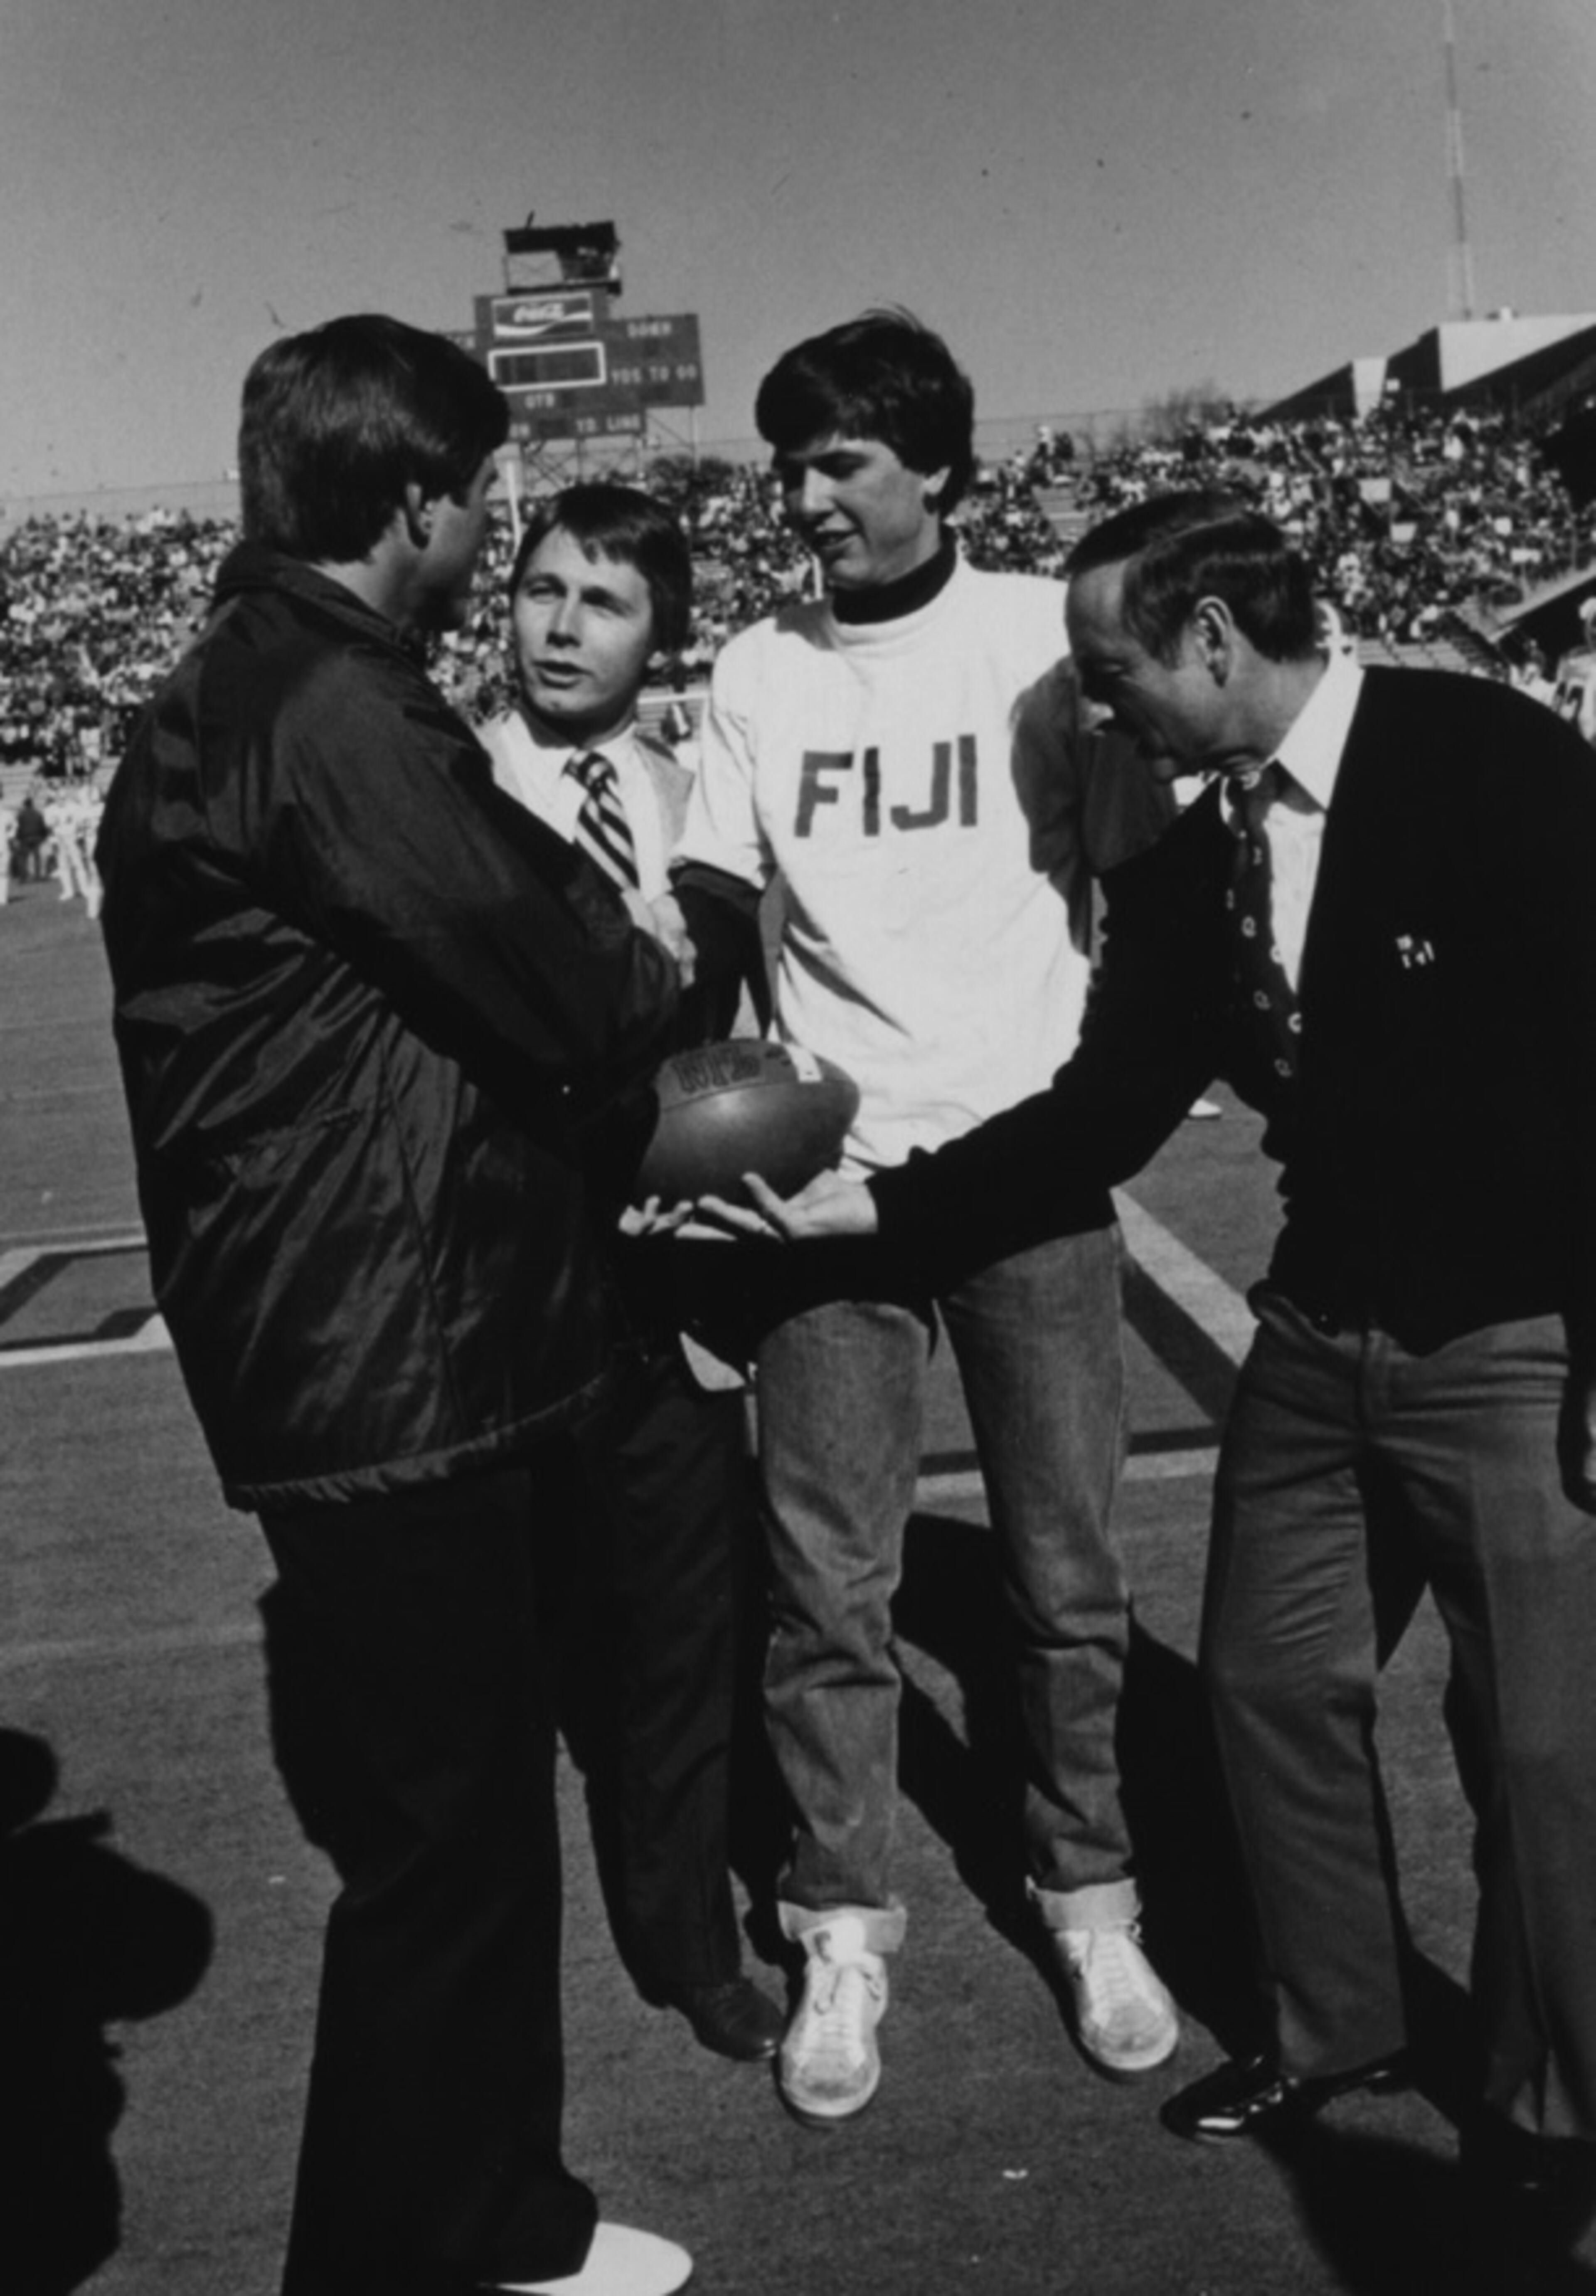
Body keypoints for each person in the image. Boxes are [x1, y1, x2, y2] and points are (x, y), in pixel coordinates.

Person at [731, 488, 1596, 2244]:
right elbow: (1105, 1108)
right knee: (1270, 1691)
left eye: (1113, 675)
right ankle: (1337, 2024)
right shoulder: (1208, 850)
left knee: (1548, 1748)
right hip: (1318, 1325)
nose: (1099, 713)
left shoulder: (1492, 759)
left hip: (1520, 1337)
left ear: (1214, 641)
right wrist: (876, 1212)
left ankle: (1551, 2101)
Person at [96, 316, 693, 2296]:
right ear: (420, 505)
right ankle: (392, 2258)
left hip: (365, 1330)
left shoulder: (243, 686)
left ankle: (499, 2215)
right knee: (443, 1852)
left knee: (469, 1830)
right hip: (387, 1352)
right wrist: (653, 951)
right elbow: (564, 974)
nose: (493, 539)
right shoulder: (338, 710)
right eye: (485, 504)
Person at [669, 310, 1179, 2126]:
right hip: (824, 1194)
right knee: (827, 1586)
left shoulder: (1046, 634)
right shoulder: (755, 667)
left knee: (1063, 1576)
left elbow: (1142, 887)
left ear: (943, 469)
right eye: (787, 465)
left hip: (1023, 1171)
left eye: (837, 465)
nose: (800, 498)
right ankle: (841, 1920)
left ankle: (1089, 1890)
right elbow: (719, 931)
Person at [477, 483, 783, 2066]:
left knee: (681, 1615)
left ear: (662, 632)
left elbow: (752, 1041)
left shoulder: (703, 801)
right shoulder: (450, 785)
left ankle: (689, 1936)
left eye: (599, 601)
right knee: (509, 1640)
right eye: (537, 589)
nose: (558, 626)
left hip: (669, 1288)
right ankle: (495, 1950)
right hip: (499, 1284)